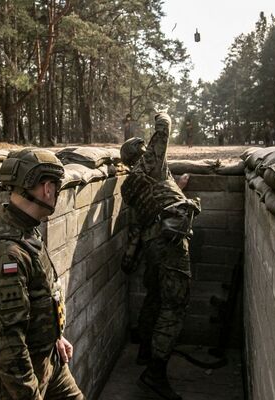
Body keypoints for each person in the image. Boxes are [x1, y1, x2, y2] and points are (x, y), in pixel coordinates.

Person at [0, 148, 84, 400]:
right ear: (46, 188)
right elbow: (7, 347)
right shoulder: (6, 255)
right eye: (56, 187)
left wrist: (55, 337)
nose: (56, 194)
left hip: (48, 361)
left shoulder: (22, 228)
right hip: (16, 382)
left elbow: (40, 295)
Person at [119, 112, 201, 400]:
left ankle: (144, 351)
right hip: (171, 242)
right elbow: (163, 132)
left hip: (152, 246)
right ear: (141, 152)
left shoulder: (130, 186)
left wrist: (177, 188)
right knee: (174, 306)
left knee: (155, 296)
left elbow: (142, 219)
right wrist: (162, 114)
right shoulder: (150, 164)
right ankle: (155, 374)